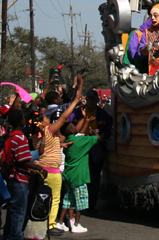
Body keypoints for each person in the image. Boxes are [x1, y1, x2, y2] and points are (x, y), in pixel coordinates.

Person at [37, 81, 82, 235]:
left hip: (41, 169)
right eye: (46, 119)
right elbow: (63, 117)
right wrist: (75, 101)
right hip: (52, 171)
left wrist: (59, 146)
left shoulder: (38, 135)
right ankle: (50, 225)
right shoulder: (49, 130)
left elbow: (44, 148)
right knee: (55, 198)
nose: (48, 119)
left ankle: (39, 220)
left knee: (41, 197)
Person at [2, 109, 48, 240]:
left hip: (12, 177)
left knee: (12, 211)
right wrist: (40, 168)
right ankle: (15, 236)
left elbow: (31, 155)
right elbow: (23, 160)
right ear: (20, 120)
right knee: (19, 211)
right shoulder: (20, 137)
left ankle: (8, 235)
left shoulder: (11, 136)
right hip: (19, 179)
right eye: (23, 117)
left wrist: (43, 138)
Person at [70, 90, 112, 212]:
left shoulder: (103, 114)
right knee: (80, 178)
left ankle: (91, 205)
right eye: (89, 99)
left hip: (96, 149)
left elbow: (108, 131)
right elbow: (70, 127)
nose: (91, 101)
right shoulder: (78, 112)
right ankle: (78, 205)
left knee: (94, 179)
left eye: (94, 99)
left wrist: (102, 137)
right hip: (80, 149)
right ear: (86, 99)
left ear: (98, 100)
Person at [57, 118, 100, 234]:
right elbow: (97, 139)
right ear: (71, 130)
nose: (75, 126)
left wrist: (86, 121)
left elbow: (79, 133)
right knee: (81, 202)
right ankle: (76, 224)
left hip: (69, 175)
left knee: (69, 200)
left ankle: (61, 222)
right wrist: (94, 132)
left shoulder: (68, 142)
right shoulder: (80, 141)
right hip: (79, 176)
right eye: (73, 125)